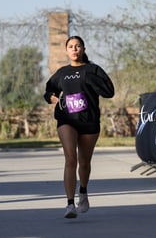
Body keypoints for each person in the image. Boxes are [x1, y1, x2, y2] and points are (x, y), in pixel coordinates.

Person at [43, 36, 114, 219]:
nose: (74, 49)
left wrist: (90, 80)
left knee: (84, 162)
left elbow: (109, 91)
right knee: (70, 159)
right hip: (67, 119)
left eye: (77, 46)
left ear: (83, 49)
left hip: (89, 121)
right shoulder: (62, 72)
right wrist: (53, 98)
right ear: (66, 50)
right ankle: (69, 204)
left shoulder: (93, 69)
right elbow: (48, 90)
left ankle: (83, 191)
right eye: (71, 46)